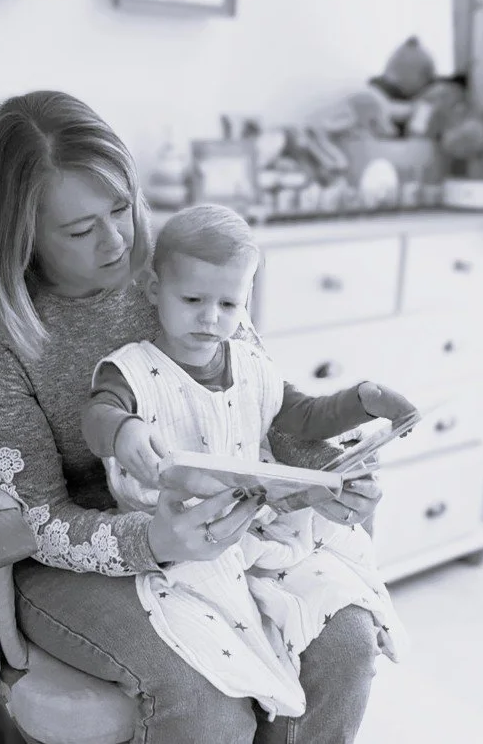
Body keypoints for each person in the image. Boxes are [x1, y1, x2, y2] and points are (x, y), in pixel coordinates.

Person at [0, 90, 397, 744]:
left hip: (214, 525)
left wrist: (331, 476)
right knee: (205, 699)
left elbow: (263, 413)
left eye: (121, 207)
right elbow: (32, 519)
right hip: (71, 554)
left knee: (347, 643)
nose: (116, 239)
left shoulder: (175, 273)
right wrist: (152, 543)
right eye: (78, 229)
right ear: (20, 233)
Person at [82, 203, 413, 722]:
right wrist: (124, 430)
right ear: (154, 291)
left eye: (229, 304)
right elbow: (97, 415)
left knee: (334, 582)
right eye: (191, 299)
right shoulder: (133, 369)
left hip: (254, 525)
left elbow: (302, 416)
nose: (210, 318)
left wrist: (362, 398)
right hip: (177, 535)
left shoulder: (250, 364)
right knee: (217, 634)